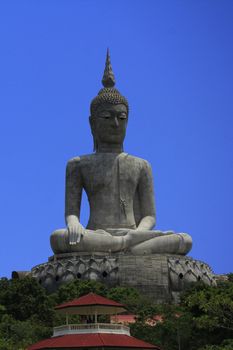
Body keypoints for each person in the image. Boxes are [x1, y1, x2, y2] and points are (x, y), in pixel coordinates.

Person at [50, 50, 192, 256]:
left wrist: (140, 233)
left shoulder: (141, 165)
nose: (116, 124)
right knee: (58, 237)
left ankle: (125, 244)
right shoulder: (78, 164)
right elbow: (72, 213)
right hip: (96, 234)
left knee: (184, 240)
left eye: (122, 117)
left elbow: (150, 216)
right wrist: (74, 224)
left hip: (137, 234)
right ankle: (125, 246)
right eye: (107, 117)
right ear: (92, 123)